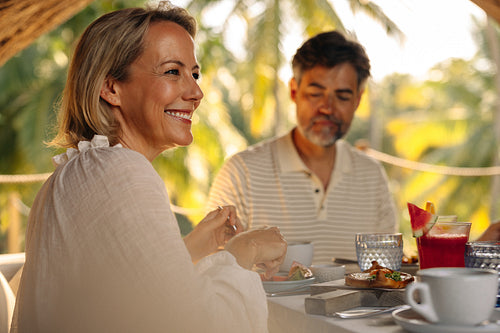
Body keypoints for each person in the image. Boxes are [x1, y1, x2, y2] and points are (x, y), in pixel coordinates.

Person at [11, 2, 287, 332]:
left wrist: (191, 248)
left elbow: (116, 301)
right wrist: (243, 251)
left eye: (194, 74)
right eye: (173, 71)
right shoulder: (119, 171)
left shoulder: (78, 172)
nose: (196, 92)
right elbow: (193, 323)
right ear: (111, 88)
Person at [207, 31, 398, 264]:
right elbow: (213, 270)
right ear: (294, 91)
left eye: (342, 96)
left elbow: (388, 274)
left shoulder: (372, 176)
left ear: (358, 99)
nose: (327, 108)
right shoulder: (241, 174)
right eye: (315, 93)